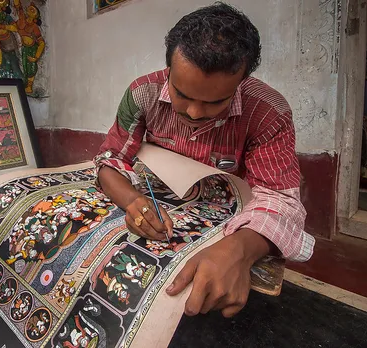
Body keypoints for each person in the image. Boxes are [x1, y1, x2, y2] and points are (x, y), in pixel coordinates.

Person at [93, 2, 315, 318]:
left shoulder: (267, 112)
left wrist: (238, 250)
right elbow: (111, 159)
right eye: (181, 94)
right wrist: (131, 200)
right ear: (168, 67)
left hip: (228, 219)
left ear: (242, 80)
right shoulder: (142, 93)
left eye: (216, 101)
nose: (194, 113)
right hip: (159, 201)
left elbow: (281, 201)